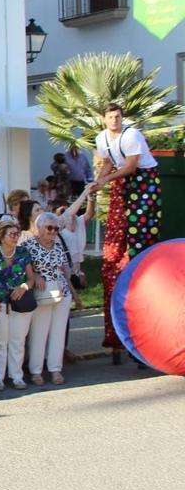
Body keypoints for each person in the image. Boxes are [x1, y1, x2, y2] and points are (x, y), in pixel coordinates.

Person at [92, 103, 162, 362]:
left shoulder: (131, 136)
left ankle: (139, 256)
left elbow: (131, 167)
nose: (114, 120)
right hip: (124, 183)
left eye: (118, 116)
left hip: (144, 182)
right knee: (120, 229)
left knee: (139, 233)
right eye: (110, 117)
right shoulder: (102, 138)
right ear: (104, 119)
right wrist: (99, 180)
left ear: (122, 118)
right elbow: (108, 163)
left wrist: (106, 180)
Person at [21, 213, 74, 385]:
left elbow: (65, 269)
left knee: (58, 332)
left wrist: (74, 292)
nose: (53, 232)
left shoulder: (58, 245)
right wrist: (35, 275)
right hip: (41, 293)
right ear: (39, 227)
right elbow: (22, 267)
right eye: (49, 228)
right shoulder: (28, 245)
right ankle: (36, 370)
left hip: (61, 291)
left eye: (56, 228)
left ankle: (55, 369)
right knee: (39, 332)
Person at [0, 222, 35, 390]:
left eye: (17, 234)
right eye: (11, 234)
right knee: (0, 340)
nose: (15, 237)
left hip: (19, 303)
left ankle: (17, 376)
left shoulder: (23, 253)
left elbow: (31, 278)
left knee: (18, 340)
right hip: (0, 303)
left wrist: (24, 287)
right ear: (1, 237)